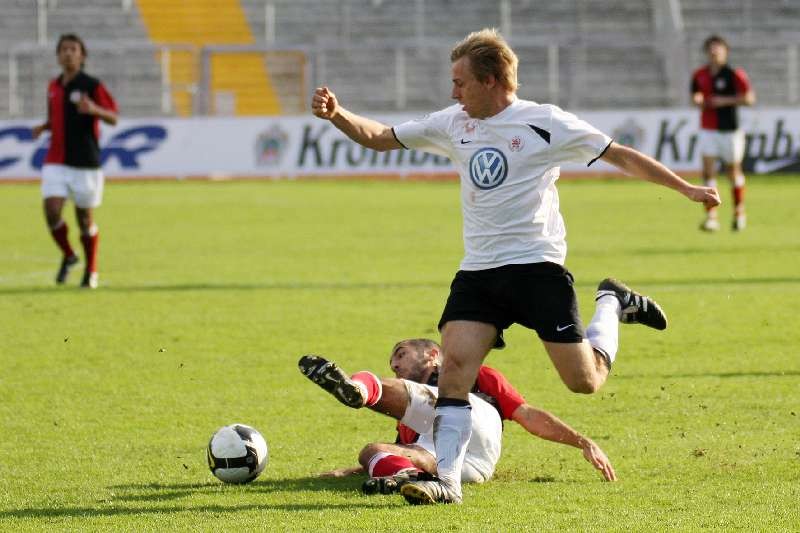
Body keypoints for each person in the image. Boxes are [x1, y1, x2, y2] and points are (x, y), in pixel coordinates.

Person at [310, 28, 719, 504]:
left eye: (460, 82)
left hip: (537, 269)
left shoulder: (545, 122)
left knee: (583, 382)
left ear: (490, 80)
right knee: (455, 373)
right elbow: (380, 136)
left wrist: (686, 189)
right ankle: (447, 480)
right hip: (479, 272)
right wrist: (337, 114)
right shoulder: (453, 122)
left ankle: (612, 301)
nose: (452, 93)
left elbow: (621, 156)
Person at [299, 338, 616, 504]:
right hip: (466, 466)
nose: (395, 362)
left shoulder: (475, 375)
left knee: (389, 391)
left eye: (402, 353)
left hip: (475, 418)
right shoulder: (409, 419)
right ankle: (411, 480)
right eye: (393, 359)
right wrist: (350, 470)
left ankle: (357, 389)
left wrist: (582, 441)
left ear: (432, 355)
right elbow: (405, 448)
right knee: (372, 452)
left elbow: (527, 414)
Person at [31, 34, 118, 289]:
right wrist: (44, 126)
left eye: (73, 49)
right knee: (51, 210)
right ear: (58, 55)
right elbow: (57, 118)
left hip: (85, 163)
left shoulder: (91, 85)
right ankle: (69, 255)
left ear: (82, 55)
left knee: (84, 220)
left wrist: (95, 110)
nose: (68, 53)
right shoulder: (53, 86)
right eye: (64, 49)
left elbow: (113, 117)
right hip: (55, 160)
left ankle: (90, 270)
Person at [691, 34, 755, 232]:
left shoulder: (734, 74)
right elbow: (695, 94)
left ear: (725, 51)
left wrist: (724, 101)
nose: (714, 52)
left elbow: (749, 98)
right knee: (708, 171)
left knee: (732, 171)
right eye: (711, 48)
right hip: (708, 129)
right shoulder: (699, 75)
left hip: (730, 131)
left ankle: (739, 212)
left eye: (718, 48)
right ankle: (712, 217)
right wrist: (698, 99)